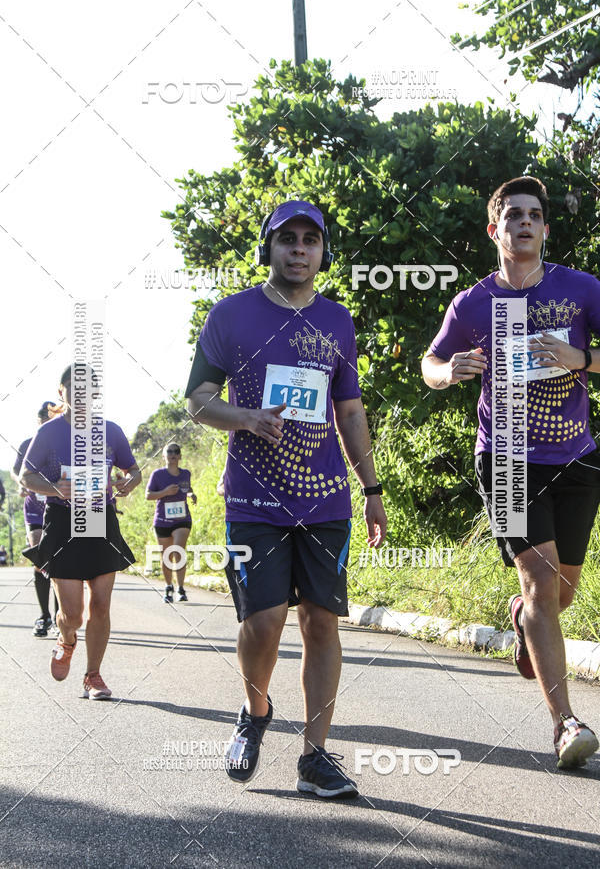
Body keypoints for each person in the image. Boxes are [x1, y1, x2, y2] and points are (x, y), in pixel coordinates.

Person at [186, 200, 387, 798]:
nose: (299, 250)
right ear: (268, 248)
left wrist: (372, 489)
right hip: (253, 498)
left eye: (310, 241)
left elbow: (349, 410)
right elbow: (198, 398)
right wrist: (245, 417)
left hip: (325, 498)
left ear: (322, 252)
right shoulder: (230, 315)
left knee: (322, 622)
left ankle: (316, 756)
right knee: (264, 620)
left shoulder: (338, 321)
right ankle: (255, 711)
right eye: (287, 240)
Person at [421, 176, 600, 769]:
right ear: (495, 230)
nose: (524, 223)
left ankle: (524, 621)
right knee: (540, 585)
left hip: (575, 458)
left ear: (545, 229)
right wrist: (453, 370)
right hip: (506, 458)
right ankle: (564, 723)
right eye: (512, 216)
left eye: (534, 215)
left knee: (560, 592)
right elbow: (430, 362)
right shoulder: (472, 303)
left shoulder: (581, 290)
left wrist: (582, 358)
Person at [20, 365, 141, 699]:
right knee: (72, 614)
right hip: (62, 521)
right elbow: (25, 478)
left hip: (100, 519)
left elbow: (132, 469)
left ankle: (93, 676)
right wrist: (54, 486)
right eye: (76, 388)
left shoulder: (111, 431)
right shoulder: (48, 433)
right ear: (63, 392)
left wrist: (130, 480)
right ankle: (67, 638)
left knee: (101, 605)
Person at [12, 401, 60, 636]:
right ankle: (44, 616)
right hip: (35, 507)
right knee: (40, 554)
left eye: (50, 420)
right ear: (38, 421)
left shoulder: (65, 443)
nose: (46, 424)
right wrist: (21, 482)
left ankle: (62, 617)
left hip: (61, 506)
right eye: (43, 420)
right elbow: (16, 469)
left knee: (62, 561)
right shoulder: (27, 444)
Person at [146, 443, 197, 603]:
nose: (173, 454)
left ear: (180, 456)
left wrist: (191, 495)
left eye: (176, 451)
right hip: (162, 520)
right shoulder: (157, 474)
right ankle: (169, 586)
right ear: (164, 456)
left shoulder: (185, 474)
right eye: (169, 451)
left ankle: (181, 588)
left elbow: (186, 489)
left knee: (178, 551)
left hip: (182, 519)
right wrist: (165, 492)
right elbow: (148, 495)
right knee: (167, 556)